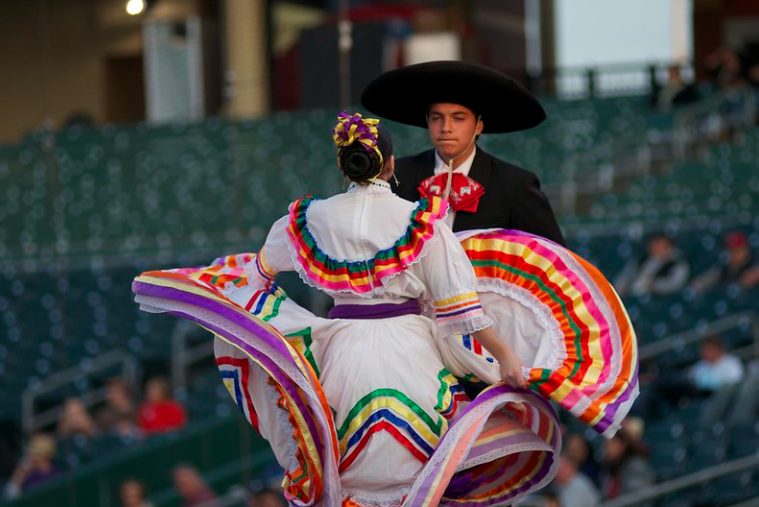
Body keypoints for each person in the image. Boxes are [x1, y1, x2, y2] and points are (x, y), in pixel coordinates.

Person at [133, 112, 639, 506]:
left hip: (338, 355)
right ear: (392, 166)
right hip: (409, 352)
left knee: (346, 466)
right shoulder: (419, 222)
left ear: (343, 165)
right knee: (422, 471)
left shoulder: (311, 218)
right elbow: (464, 311)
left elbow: (259, 271)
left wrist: (211, 289)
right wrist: (505, 358)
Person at [360, 60, 566, 245]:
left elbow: (555, 260)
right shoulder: (397, 178)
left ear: (478, 126)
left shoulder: (514, 186)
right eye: (436, 118)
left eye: (458, 118)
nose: (445, 127)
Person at [614, 233, 690, 297]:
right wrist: (621, 286)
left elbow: (674, 284)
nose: (655, 248)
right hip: (631, 295)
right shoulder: (641, 260)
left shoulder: (679, 265)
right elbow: (626, 275)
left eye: (659, 245)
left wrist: (653, 286)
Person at [690, 230, 759, 292]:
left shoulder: (753, 262)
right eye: (731, 250)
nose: (733, 254)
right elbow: (709, 278)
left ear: (745, 250)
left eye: (737, 250)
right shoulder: (726, 267)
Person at [599, 429, 654, 501]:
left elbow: (637, 499)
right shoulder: (608, 469)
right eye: (606, 445)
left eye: (613, 443)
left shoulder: (636, 466)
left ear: (623, 445)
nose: (608, 449)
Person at [3, 434, 62, 500]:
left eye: (32, 452)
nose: (29, 456)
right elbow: (10, 498)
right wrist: (18, 477)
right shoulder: (26, 476)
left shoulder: (58, 474)